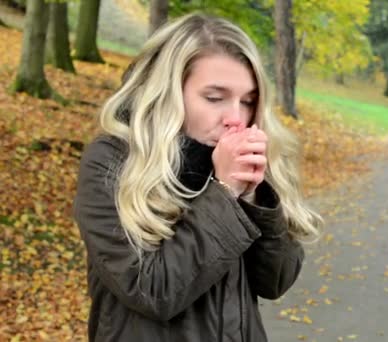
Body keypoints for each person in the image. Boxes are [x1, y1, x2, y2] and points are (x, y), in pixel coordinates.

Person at [73, 13, 321, 342]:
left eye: (247, 101)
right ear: (167, 92)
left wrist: (250, 197)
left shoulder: (237, 161)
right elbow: (151, 291)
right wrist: (225, 192)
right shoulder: (113, 161)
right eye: (214, 98)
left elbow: (275, 281)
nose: (236, 118)